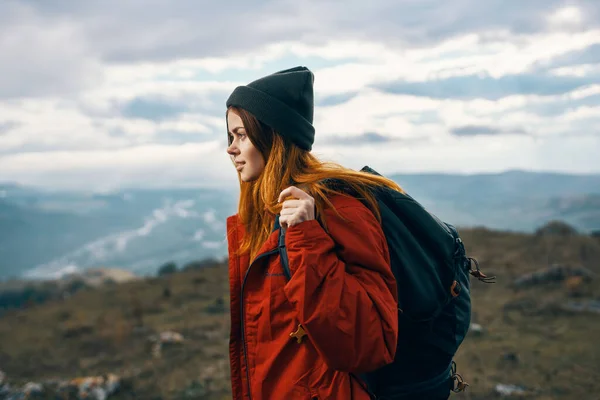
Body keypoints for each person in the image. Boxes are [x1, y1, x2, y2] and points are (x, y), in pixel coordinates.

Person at [224, 66, 403, 400]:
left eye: (241, 135)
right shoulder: (265, 219)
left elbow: (368, 343)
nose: (231, 148)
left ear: (272, 136)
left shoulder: (339, 211)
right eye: (230, 136)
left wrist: (307, 239)